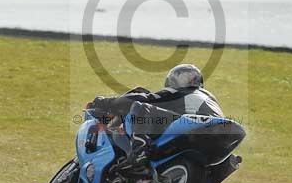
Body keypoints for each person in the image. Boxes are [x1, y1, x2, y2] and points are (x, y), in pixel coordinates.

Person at [91, 64, 223, 163]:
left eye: (191, 79)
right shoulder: (209, 96)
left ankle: (140, 150)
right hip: (221, 132)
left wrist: (105, 102)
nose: (189, 82)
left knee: (140, 107)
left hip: (194, 123)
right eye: (185, 78)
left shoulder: (181, 91)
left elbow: (143, 98)